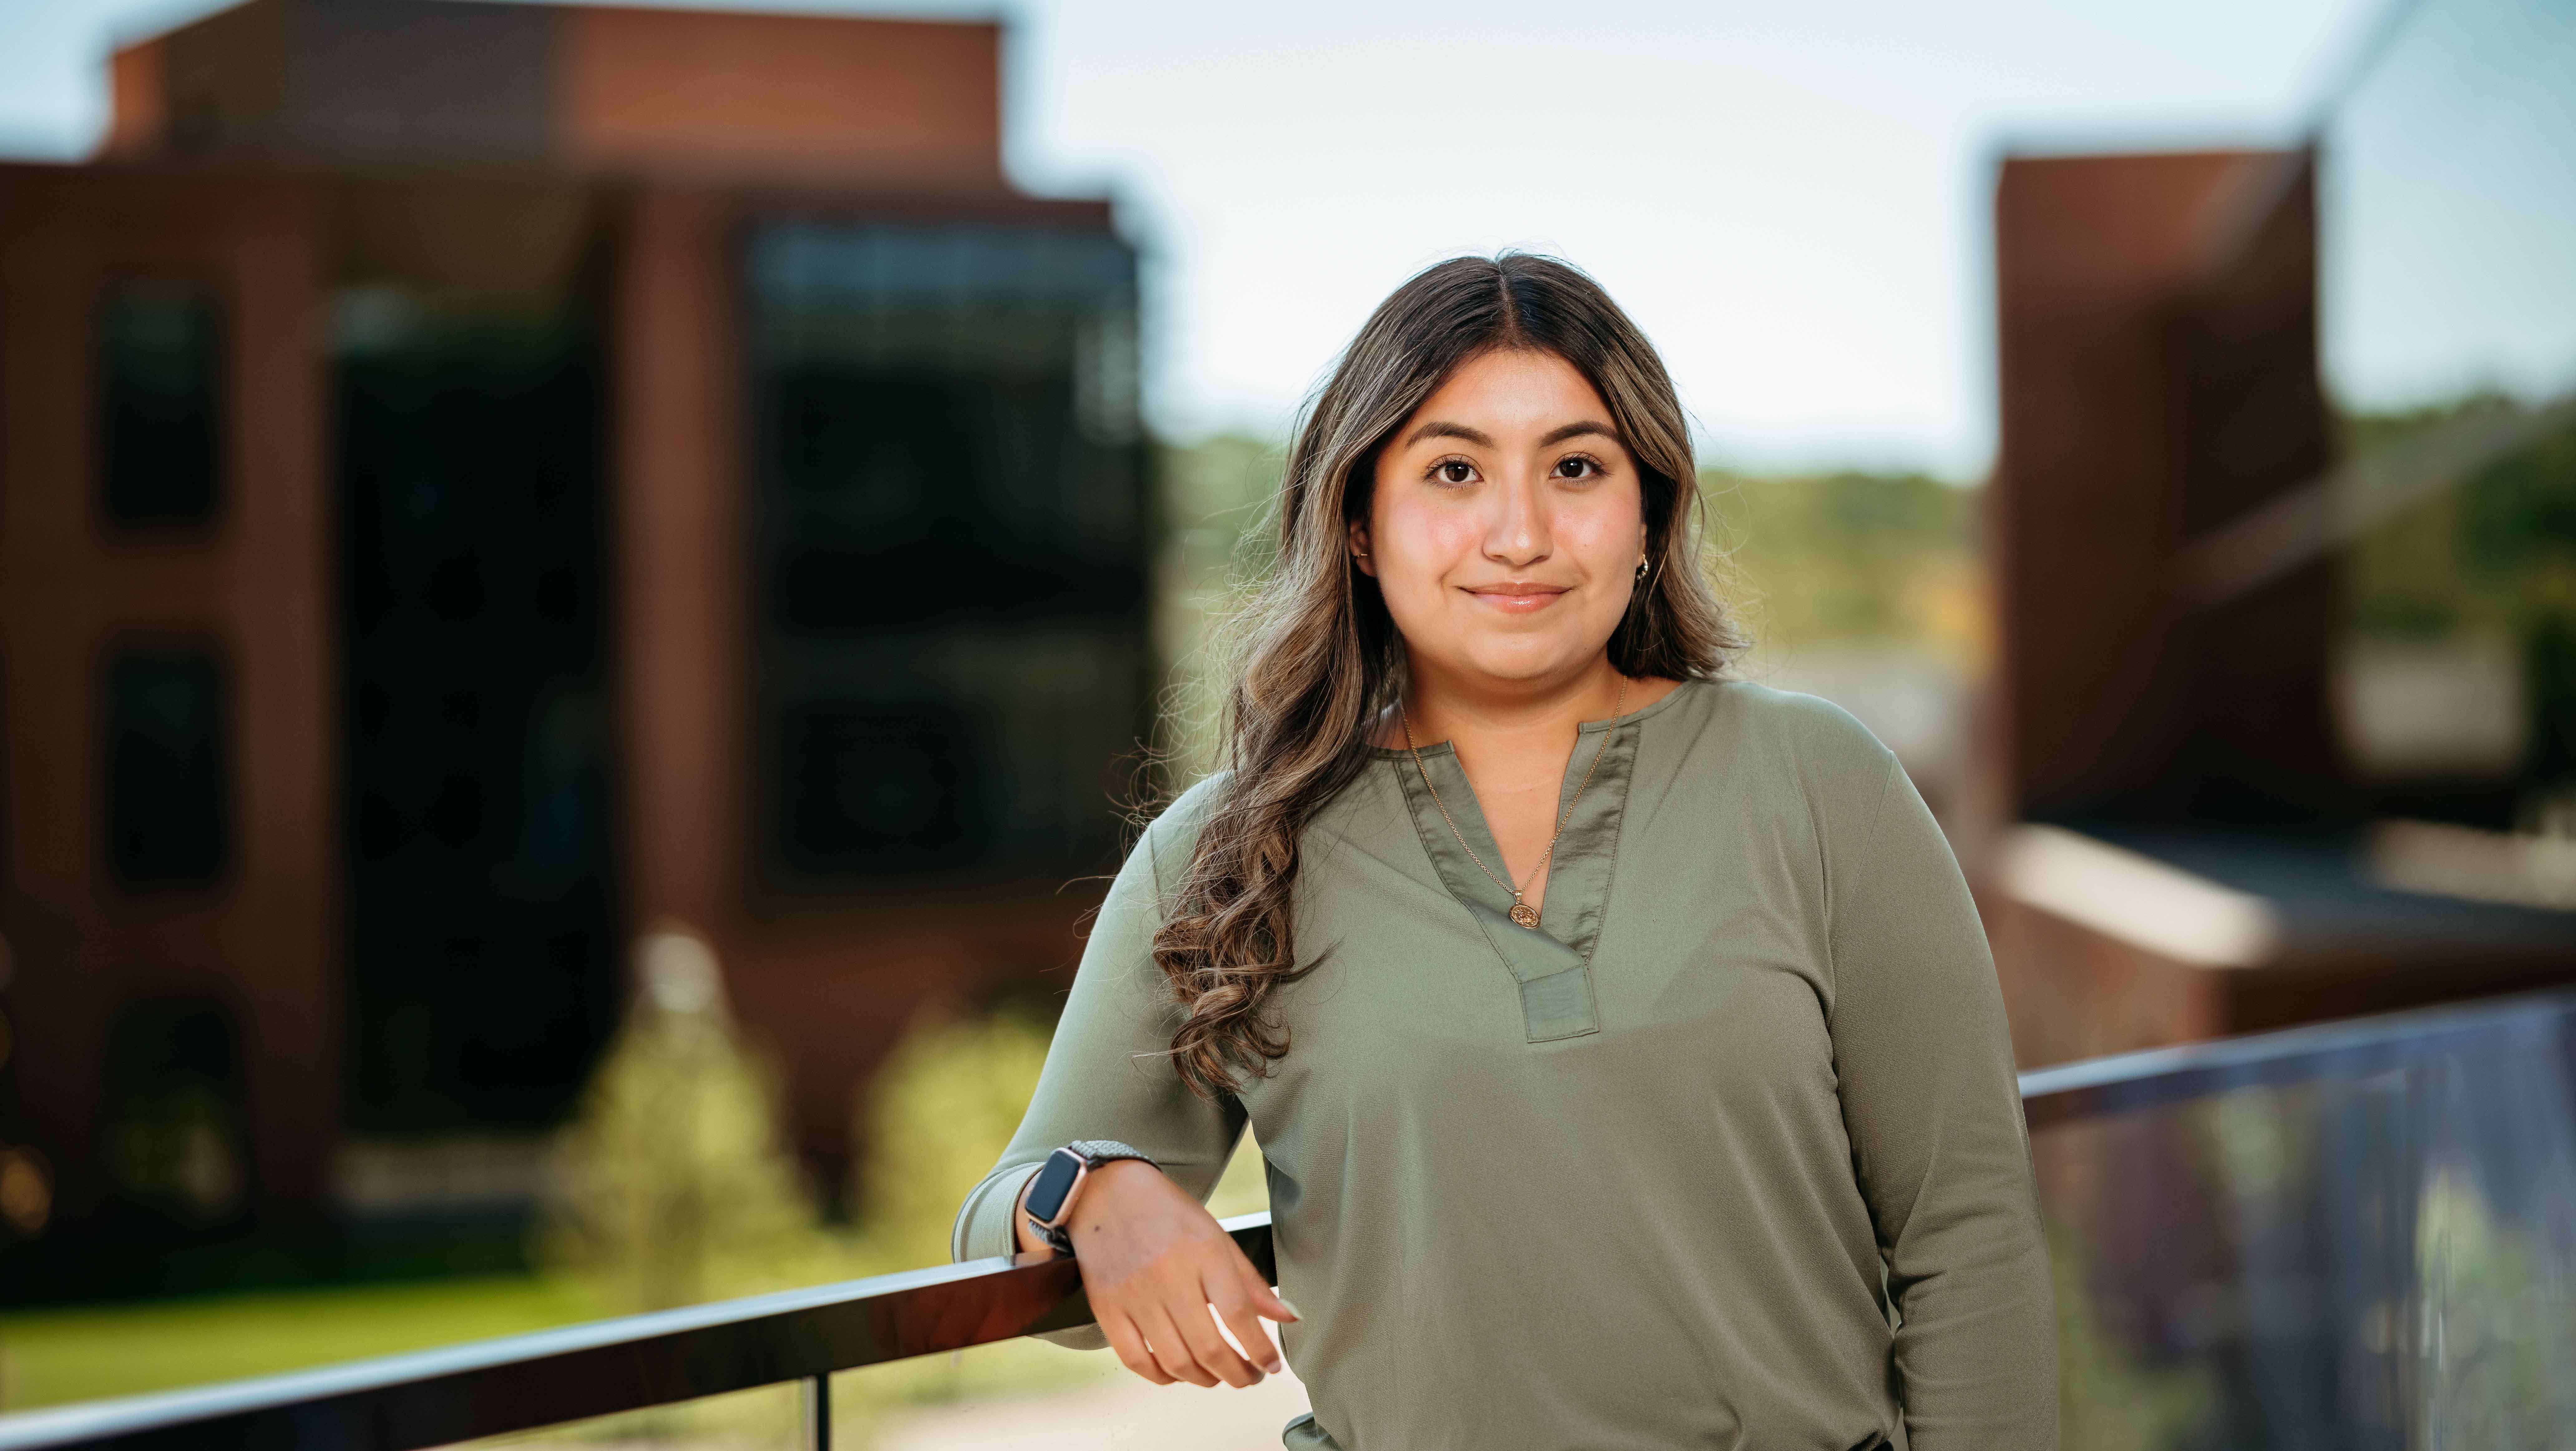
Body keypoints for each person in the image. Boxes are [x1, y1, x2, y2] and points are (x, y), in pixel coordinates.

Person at [952, 253, 2056, 1451]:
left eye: (1576, 468)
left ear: (1650, 513)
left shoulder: (1819, 783)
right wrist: (1097, 1185)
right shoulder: (1228, 851)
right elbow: (992, 1226)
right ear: (1362, 524)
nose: (1519, 532)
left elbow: (1967, 1229)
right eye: (1454, 470)